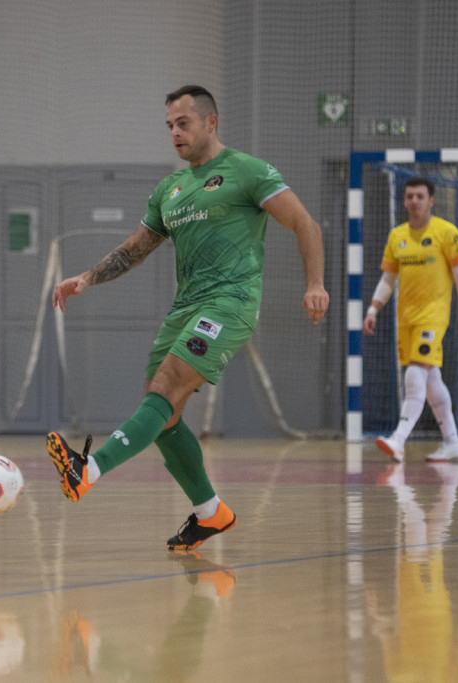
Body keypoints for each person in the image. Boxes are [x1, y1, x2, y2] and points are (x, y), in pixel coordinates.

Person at [46, 85, 329, 551]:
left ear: (210, 122)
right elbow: (136, 248)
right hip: (185, 308)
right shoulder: (170, 189)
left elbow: (305, 223)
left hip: (230, 303)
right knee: (162, 412)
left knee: (166, 386)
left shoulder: (248, 171)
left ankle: (87, 470)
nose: (175, 133)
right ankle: (210, 512)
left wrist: (314, 283)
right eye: (169, 126)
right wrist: (88, 278)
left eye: (183, 123)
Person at [363, 176, 458, 463]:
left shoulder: (447, 232)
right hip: (406, 319)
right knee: (431, 380)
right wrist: (373, 309)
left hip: (433, 316)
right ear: (404, 201)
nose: (414, 201)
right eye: (409, 196)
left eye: (420, 196)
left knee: (415, 373)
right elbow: (388, 279)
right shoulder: (397, 236)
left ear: (432, 200)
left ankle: (398, 439)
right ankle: (452, 440)